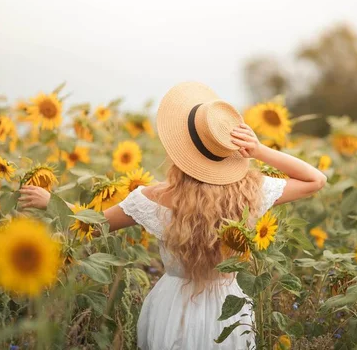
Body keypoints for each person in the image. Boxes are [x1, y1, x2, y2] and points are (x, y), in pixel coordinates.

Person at [18, 82, 327, 349]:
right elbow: (316, 180)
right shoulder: (250, 192)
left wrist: (51, 201)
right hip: (229, 312)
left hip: (172, 309)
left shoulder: (155, 198)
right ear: (228, 152)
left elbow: (94, 224)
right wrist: (259, 150)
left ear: (179, 150)